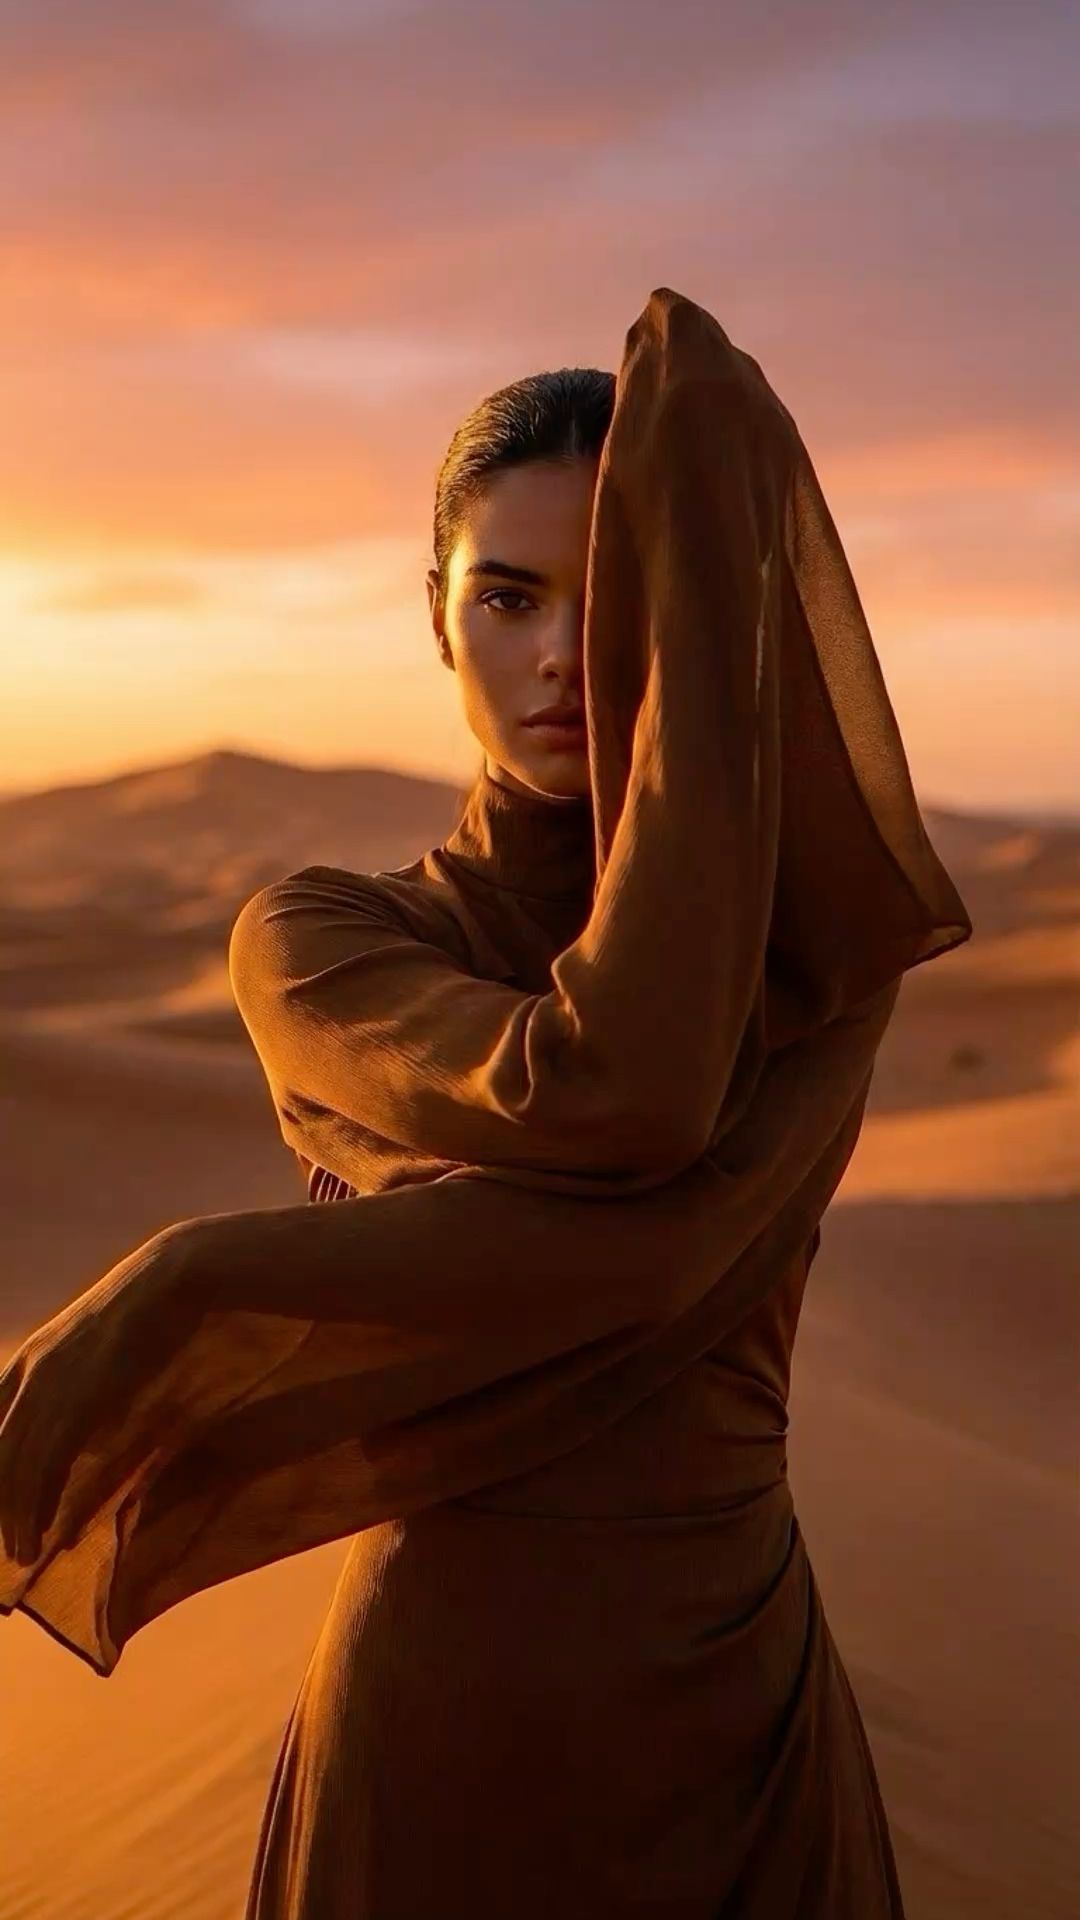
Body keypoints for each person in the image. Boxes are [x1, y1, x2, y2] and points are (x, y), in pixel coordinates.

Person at [0, 287, 971, 1918]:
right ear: (436, 618)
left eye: (625, 600)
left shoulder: (812, 967)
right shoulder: (323, 942)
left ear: (700, 630)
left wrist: (201, 1278)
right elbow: (610, 1131)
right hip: (438, 1715)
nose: (567, 657)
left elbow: (629, 1138)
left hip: (742, 1718)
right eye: (509, 597)